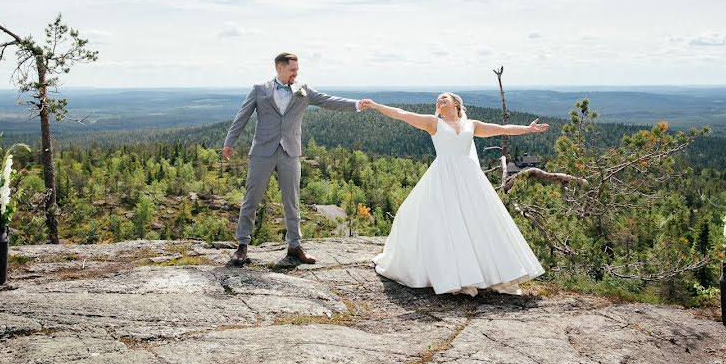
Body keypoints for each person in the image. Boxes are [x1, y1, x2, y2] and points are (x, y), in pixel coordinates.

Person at [359, 93, 548, 296]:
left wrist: (528, 129)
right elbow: (402, 114)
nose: (440, 101)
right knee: (446, 224)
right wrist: (375, 105)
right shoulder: (433, 123)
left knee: (478, 222)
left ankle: (489, 274)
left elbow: (501, 129)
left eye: (444, 98)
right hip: (442, 177)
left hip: (469, 179)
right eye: (438, 100)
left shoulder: (471, 125)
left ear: (456, 103)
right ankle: (457, 276)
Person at [222, 52, 368, 266]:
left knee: (292, 200)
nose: (295, 74)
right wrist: (229, 142)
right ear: (279, 68)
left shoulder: (303, 90)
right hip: (262, 151)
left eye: (297, 70)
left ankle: (294, 246)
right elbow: (242, 116)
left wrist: (356, 104)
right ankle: (242, 246)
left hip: (290, 151)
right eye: (292, 70)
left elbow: (328, 101)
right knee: (251, 199)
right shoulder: (259, 90)